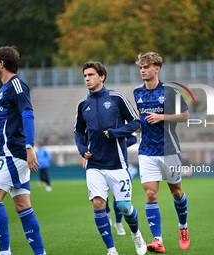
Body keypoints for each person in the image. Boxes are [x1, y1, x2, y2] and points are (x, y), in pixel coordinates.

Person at [74, 61, 146, 255]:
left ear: (102, 76)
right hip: (94, 164)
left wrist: (116, 132)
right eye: (85, 76)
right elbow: (79, 132)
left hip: (117, 163)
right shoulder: (83, 104)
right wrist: (82, 149)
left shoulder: (117, 98)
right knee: (98, 203)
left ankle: (136, 233)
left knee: (124, 207)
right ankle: (111, 249)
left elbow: (136, 122)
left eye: (90, 75)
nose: (87, 79)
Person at [0, 46, 46, 255]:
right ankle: (40, 253)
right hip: (13, 152)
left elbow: (27, 114)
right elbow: (11, 119)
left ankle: (4, 252)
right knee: (22, 205)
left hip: (14, 154)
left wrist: (29, 147)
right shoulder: (3, 89)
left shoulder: (16, 84)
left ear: (1, 64)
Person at [133, 52, 190, 253]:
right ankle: (157, 240)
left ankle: (183, 227)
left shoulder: (170, 91)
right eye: (141, 67)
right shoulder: (137, 92)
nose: (142, 70)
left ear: (157, 68)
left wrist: (161, 117)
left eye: (146, 67)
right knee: (150, 194)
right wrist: (136, 126)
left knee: (176, 191)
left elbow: (185, 116)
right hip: (147, 151)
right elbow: (140, 119)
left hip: (169, 150)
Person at [106, 133, 137, 236]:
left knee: (119, 198)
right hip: (99, 162)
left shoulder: (121, 121)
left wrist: (118, 146)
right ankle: (107, 214)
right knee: (101, 196)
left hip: (118, 163)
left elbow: (133, 139)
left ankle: (118, 223)